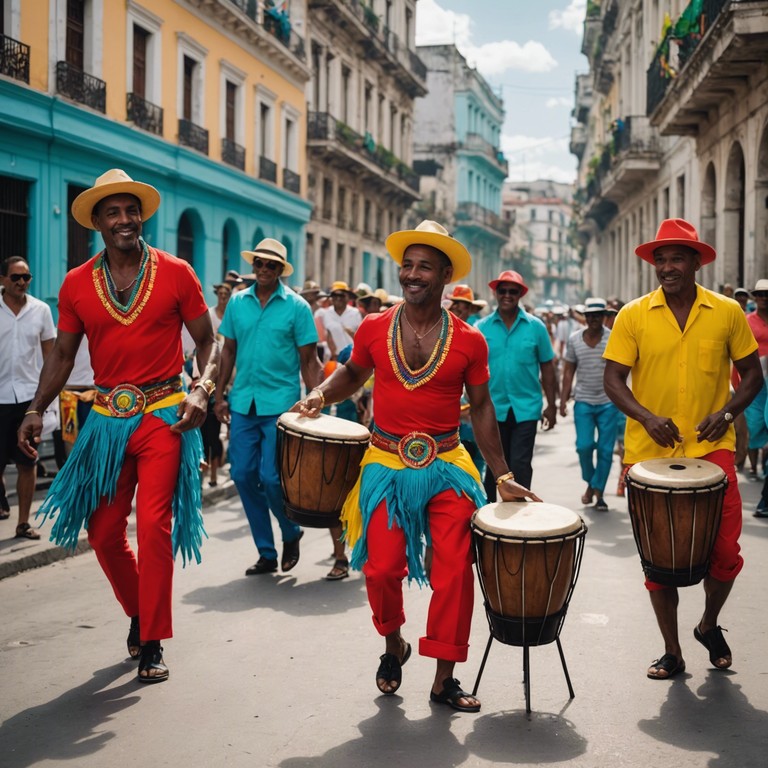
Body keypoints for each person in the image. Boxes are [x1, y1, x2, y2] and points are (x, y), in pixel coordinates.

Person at [294, 220, 541, 713]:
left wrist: (505, 475)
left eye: (424, 266)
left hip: (449, 464)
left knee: (454, 573)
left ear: (445, 274)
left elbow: (484, 406)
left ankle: (444, 677)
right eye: (406, 265)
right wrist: (321, 393)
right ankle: (394, 644)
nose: (411, 274)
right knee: (381, 569)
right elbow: (352, 373)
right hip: (385, 463)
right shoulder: (373, 327)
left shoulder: (471, 340)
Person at [18, 168, 218, 684]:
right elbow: (63, 354)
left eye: (132, 211)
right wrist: (36, 408)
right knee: (103, 532)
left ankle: (152, 639)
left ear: (141, 217)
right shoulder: (76, 283)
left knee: (153, 526)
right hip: (106, 420)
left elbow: (208, 343)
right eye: (114, 213)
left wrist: (201, 388)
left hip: (163, 416)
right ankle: (138, 610)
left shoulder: (176, 272)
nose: (126, 220)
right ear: (98, 223)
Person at [603, 218, 762, 680]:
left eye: (676, 257)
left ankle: (708, 623)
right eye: (661, 259)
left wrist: (728, 414)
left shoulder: (727, 312)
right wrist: (646, 417)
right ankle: (672, 650)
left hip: (713, 451)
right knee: (658, 559)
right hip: (648, 456)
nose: (667, 267)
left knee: (726, 552)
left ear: (696, 262)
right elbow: (614, 379)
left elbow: (753, 376)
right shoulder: (633, 314)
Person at [215, 238, 322, 577]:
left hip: (282, 406)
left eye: (271, 265)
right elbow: (227, 351)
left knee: (273, 479)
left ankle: (291, 532)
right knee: (243, 475)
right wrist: (218, 395)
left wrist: (317, 397)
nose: (263, 269)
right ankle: (266, 551)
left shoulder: (297, 307)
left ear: (280, 270)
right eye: (259, 263)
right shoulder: (236, 303)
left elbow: (309, 359)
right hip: (243, 402)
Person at [476, 270, 557, 499]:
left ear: (520, 294)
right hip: (491, 408)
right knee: (493, 465)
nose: (507, 295)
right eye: (503, 291)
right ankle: (489, 517)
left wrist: (551, 405)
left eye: (513, 291)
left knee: (520, 465)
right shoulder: (482, 328)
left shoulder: (536, 327)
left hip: (526, 408)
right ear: (496, 293)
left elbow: (547, 367)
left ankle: (519, 519)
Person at [0, 256, 56, 537]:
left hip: (28, 399)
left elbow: (52, 357)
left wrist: (49, 403)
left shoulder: (41, 310)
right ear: (2, 280)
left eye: (26, 277)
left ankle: (23, 523)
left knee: (27, 462)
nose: (22, 282)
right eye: (15, 278)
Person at [559, 298, 618, 511]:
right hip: (583, 400)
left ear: (604, 316)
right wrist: (563, 400)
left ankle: (597, 491)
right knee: (584, 446)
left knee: (605, 450)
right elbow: (568, 372)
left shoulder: (613, 339)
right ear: (585, 317)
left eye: (598, 315)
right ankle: (591, 482)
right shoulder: (575, 340)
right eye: (590, 315)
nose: (593, 319)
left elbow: (621, 371)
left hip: (608, 402)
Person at [323, 281, 362, 360]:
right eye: (335, 295)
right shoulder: (326, 313)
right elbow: (328, 335)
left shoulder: (355, 313)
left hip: (352, 358)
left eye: (342, 295)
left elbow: (360, 337)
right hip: (332, 358)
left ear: (348, 297)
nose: (338, 298)